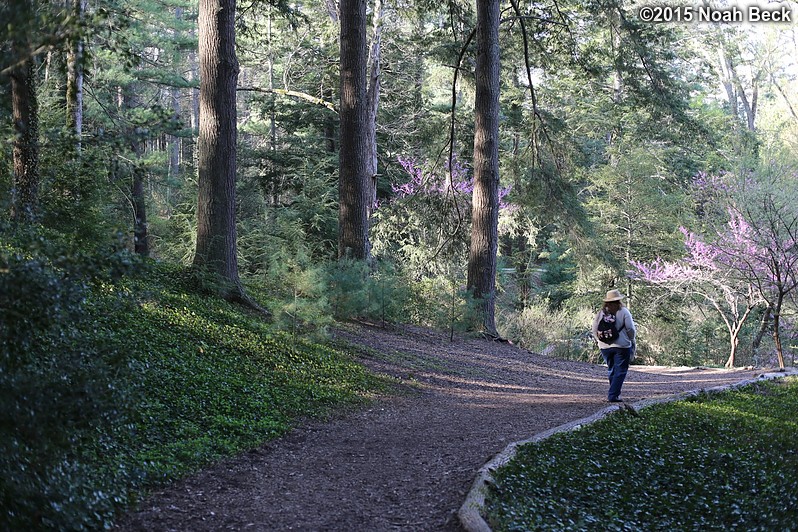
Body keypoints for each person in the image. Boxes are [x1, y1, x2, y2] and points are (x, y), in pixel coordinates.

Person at [592, 289, 636, 403]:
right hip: (622, 345)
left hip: (605, 346)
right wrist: (631, 339)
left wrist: (599, 341)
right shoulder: (624, 311)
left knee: (611, 369)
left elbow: (594, 329)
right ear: (619, 300)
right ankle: (613, 395)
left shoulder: (601, 312)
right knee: (620, 370)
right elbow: (630, 328)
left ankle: (614, 393)